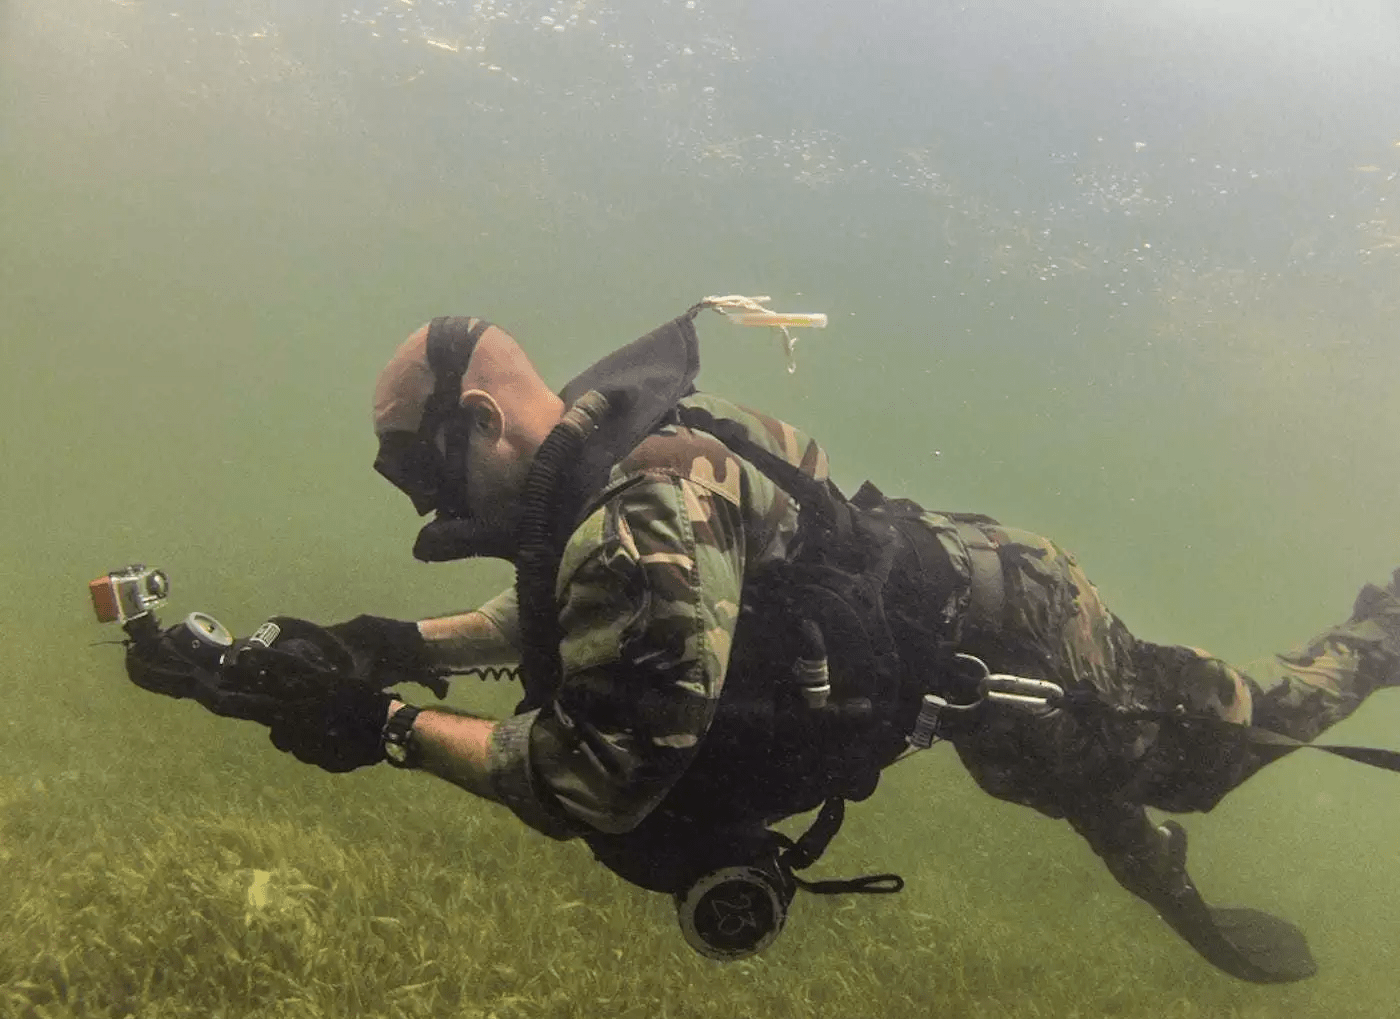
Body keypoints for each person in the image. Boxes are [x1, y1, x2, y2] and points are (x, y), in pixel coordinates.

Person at [128, 302, 1400, 978]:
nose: (423, 505)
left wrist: (389, 725)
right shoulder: (610, 460)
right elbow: (579, 617)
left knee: (1214, 748)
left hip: (1018, 626)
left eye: (416, 469)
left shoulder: (640, 513)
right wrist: (393, 640)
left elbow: (596, 776)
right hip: (962, 665)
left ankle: (1376, 633)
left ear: (477, 421)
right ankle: (1159, 862)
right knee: (1049, 780)